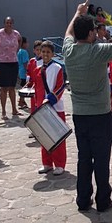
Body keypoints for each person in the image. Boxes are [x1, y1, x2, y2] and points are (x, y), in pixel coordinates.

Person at [62, 0, 112, 212]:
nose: (97, 33)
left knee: (84, 158)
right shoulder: (96, 52)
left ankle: (83, 200)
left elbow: (68, 33)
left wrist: (78, 12)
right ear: (89, 34)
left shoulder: (68, 50)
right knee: (101, 159)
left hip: (79, 115)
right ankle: (103, 200)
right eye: (94, 31)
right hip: (100, 115)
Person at [34, 40, 67, 176]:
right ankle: (47, 163)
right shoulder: (37, 68)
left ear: (53, 54)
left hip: (55, 107)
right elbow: (37, 87)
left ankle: (60, 164)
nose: (45, 54)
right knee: (44, 136)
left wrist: (50, 100)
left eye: (48, 52)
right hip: (42, 108)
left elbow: (60, 86)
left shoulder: (57, 68)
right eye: (43, 52)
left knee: (58, 136)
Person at [25, 40, 43, 113]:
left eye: (40, 50)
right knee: (33, 104)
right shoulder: (32, 61)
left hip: (42, 86)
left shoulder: (45, 61)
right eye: (37, 50)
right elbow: (28, 71)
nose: (39, 52)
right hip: (33, 86)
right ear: (34, 50)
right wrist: (28, 78)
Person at [17, 37, 30, 109]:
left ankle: (22, 100)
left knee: (23, 86)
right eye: (26, 42)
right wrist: (28, 71)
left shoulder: (18, 51)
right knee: (24, 87)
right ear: (23, 43)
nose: (28, 44)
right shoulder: (24, 52)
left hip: (20, 71)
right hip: (24, 72)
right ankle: (21, 101)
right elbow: (25, 63)